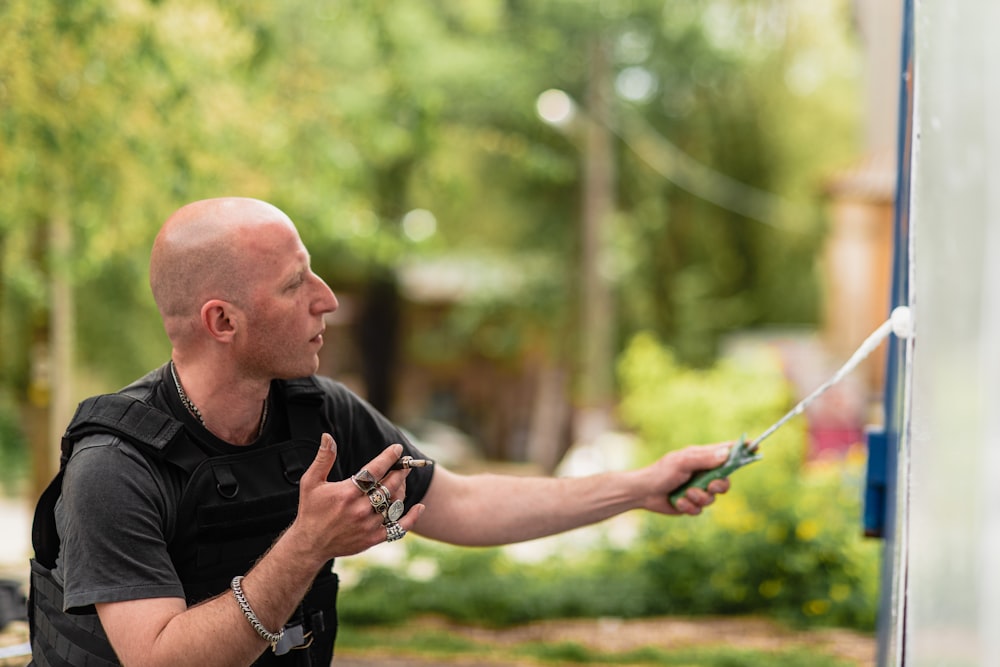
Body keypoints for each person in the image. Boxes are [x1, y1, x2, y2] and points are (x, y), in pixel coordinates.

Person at [28, 197, 731, 667]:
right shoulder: (115, 467)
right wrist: (306, 545)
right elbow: (158, 660)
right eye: (294, 283)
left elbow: (459, 502)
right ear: (222, 321)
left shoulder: (319, 412)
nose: (327, 299)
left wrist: (639, 486)